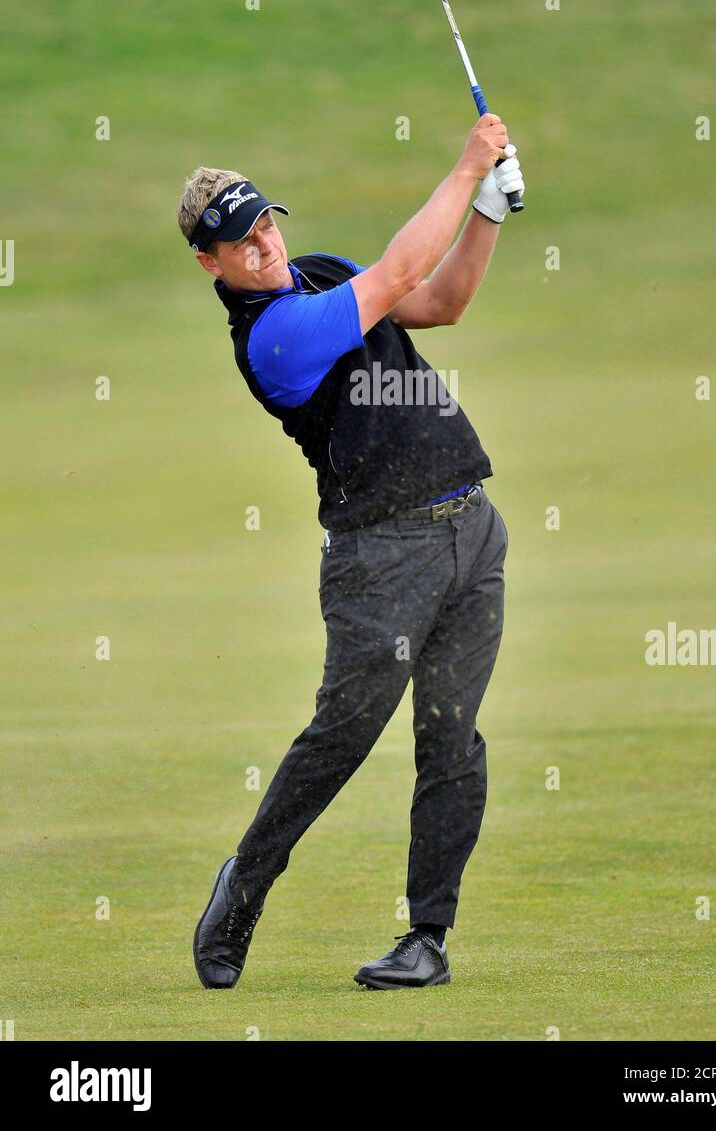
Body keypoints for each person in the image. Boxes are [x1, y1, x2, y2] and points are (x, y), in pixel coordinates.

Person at [179, 115, 523, 989]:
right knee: (341, 738)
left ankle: (427, 939)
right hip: (382, 556)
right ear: (208, 264)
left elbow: (438, 300)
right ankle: (244, 886)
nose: (262, 245)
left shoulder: (320, 272)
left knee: (453, 740)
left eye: (264, 224)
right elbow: (403, 269)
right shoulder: (270, 338)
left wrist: (486, 210)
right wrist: (465, 167)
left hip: (472, 530)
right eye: (238, 241)